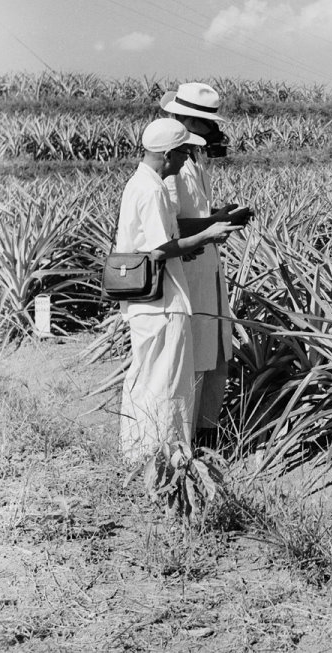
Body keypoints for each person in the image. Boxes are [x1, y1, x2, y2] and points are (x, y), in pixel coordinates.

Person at [115, 117, 238, 462]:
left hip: (149, 300)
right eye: (183, 152)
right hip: (162, 300)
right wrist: (206, 236)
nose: (187, 159)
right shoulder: (153, 189)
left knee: (147, 377)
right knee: (166, 382)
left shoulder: (140, 183)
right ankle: (164, 455)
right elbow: (157, 248)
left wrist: (191, 242)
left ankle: (139, 451)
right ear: (168, 153)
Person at [159, 82, 243, 447]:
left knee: (212, 354)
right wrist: (214, 225)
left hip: (204, 268)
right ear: (187, 119)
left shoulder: (194, 161)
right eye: (206, 123)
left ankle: (204, 438)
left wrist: (218, 217)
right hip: (187, 271)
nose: (213, 130)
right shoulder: (174, 165)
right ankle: (183, 443)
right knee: (192, 357)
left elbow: (196, 216)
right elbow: (172, 225)